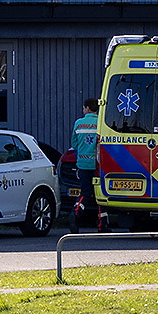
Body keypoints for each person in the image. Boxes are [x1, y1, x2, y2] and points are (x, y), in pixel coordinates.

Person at [69, 97, 99, 233]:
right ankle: (102, 225)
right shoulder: (101, 123)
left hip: (83, 164)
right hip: (98, 165)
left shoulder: (78, 123)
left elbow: (74, 144)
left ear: (87, 108)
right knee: (101, 195)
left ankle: (75, 214)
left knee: (85, 193)